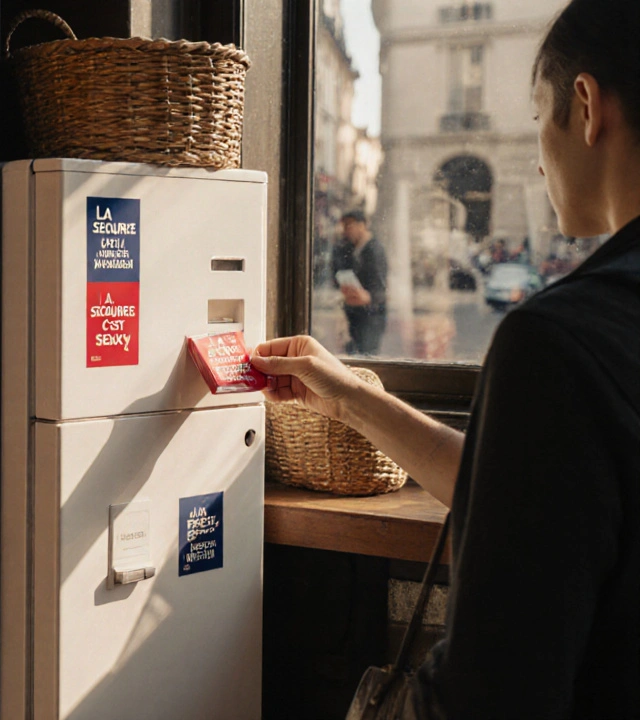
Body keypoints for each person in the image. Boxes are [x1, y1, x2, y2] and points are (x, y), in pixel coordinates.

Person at [251, 0, 640, 716]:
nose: (538, 148)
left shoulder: (557, 341)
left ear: (585, 106)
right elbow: (534, 495)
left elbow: (490, 691)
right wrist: (351, 399)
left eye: (537, 114)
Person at [331, 210, 389, 355]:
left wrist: (367, 297)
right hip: (353, 313)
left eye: (349, 225)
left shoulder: (375, 250)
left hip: (371, 315)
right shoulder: (348, 248)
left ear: (362, 225)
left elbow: (380, 287)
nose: (346, 231)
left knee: (368, 354)